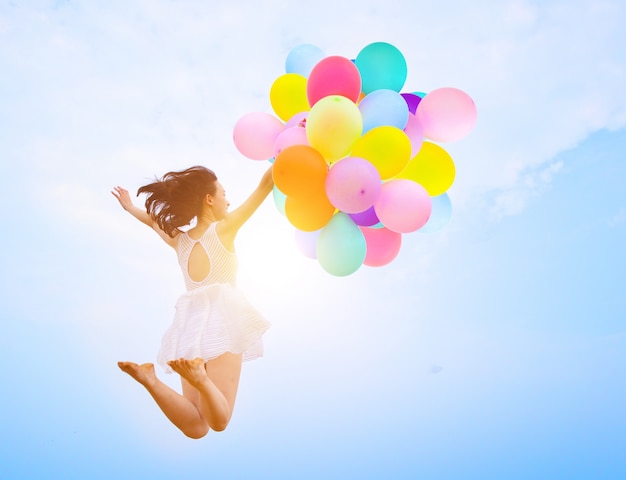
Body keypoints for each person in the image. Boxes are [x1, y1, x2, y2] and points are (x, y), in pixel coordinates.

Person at [111, 165, 273, 438]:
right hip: (224, 323)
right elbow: (265, 186)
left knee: (197, 427)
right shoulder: (225, 229)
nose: (229, 200)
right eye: (224, 193)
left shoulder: (180, 241)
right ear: (209, 199)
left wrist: (128, 207)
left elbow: (153, 221)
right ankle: (198, 377)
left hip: (190, 329)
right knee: (219, 422)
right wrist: (289, 149)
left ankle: (150, 380)